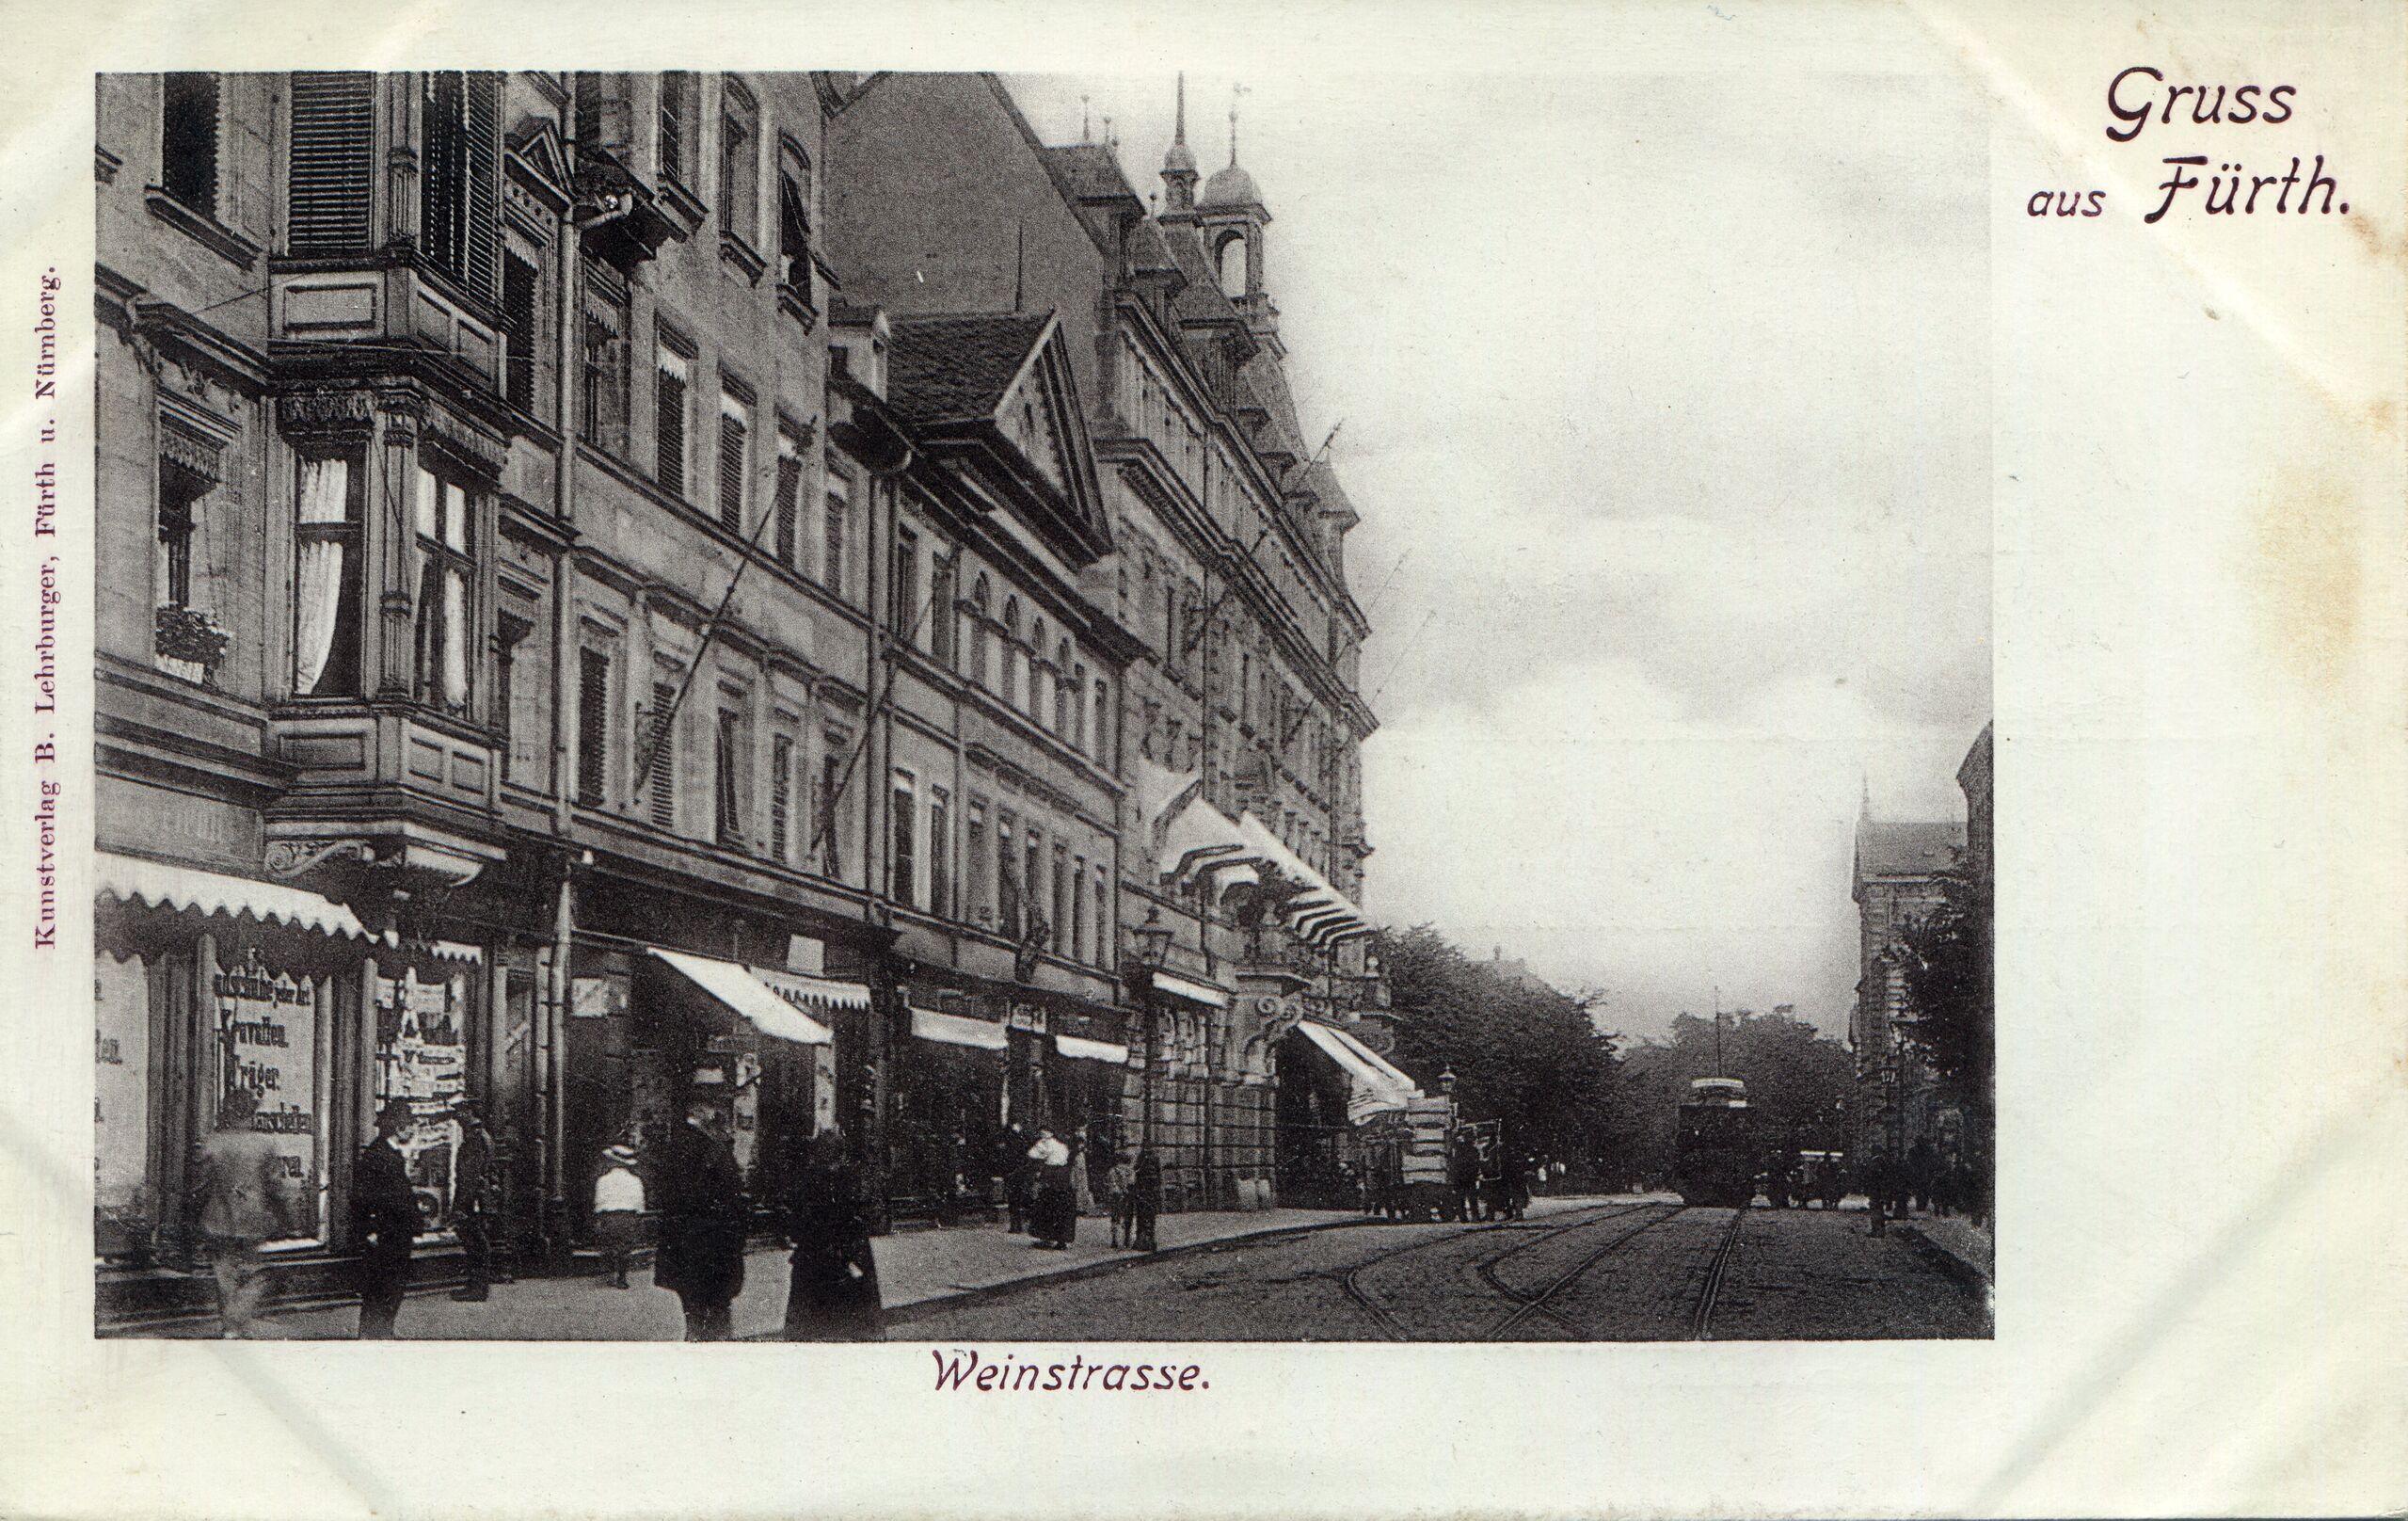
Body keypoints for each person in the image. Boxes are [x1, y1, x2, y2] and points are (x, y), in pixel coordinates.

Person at [189, 1087, 289, 1337]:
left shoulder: (212, 1142)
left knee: (224, 1275)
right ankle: (235, 1322)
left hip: (218, 1218)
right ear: (252, 1113)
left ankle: (230, 1328)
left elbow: (199, 1185)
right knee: (255, 1273)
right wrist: (285, 1215)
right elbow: (276, 1186)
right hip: (253, 1219)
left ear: (227, 1113)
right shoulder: (265, 1144)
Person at [653, 1098, 748, 1340]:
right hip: (715, 1248)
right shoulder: (716, 1151)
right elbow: (734, 1202)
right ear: (704, 1116)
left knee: (694, 1313)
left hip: (683, 1247)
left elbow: (665, 1196)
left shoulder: (675, 1149)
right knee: (717, 1316)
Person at [783, 1129, 883, 1340]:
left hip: (812, 1261)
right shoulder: (847, 1180)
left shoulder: (807, 1181)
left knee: (807, 1325)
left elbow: (796, 1223)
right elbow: (863, 1217)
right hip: (844, 1261)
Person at [353, 1099, 421, 1338]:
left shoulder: (388, 1153)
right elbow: (364, 1196)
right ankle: (375, 1334)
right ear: (398, 1128)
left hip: (394, 1231)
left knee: (390, 1286)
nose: (413, 1130)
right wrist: (370, 1229)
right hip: (387, 1232)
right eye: (410, 1125)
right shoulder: (379, 1155)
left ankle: (380, 1332)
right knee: (384, 1286)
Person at [448, 1100, 497, 1302]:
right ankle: (475, 1286)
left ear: (470, 1113)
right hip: (478, 1197)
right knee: (477, 1242)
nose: (457, 1117)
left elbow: (469, 1176)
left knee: (476, 1243)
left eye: (460, 1112)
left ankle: (477, 1288)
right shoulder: (480, 1136)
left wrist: (460, 1206)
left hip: (473, 1199)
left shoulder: (475, 1139)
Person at [593, 1142, 646, 1289]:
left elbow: (599, 1201)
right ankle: (622, 1277)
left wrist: (599, 1218)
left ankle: (611, 1272)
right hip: (628, 1216)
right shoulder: (635, 1180)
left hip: (609, 1216)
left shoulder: (603, 1180)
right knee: (625, 1247)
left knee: (610, 1244)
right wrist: (639, 1217)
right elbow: (639, 1202)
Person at [1027, 1127, 1075, 1249]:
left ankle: (1048, 1238)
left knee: (1048, 1207)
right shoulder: (1060, 1145)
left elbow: (1032, 1154)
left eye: (1044, 1133)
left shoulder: (1045, 1144)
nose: (1042, 1135)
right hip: (1062, 1178)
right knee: (1059, 1208)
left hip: (1052, 1177)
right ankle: (1059, 1240)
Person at [997, 1123, 1031, 1235]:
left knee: (1013, 1200)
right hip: (1018, 1173)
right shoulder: (1020, 1142)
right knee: (1016, 1199)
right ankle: (1017, 1225)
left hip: (1013, 1174)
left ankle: (1015, 1225)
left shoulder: (1010, 1145)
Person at [1131, 1146, 1163, 1252]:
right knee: (1150, 1219)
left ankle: (1143, 1241)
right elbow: (1159, 1179)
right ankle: (1149, 1241)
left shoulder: (1141, 1161)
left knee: (1142, 1219)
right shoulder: (1155, 1160)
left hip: (1143, 1195)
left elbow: (1136, 1172)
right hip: (1150, 1196)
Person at [1448, 1129, 1481, 1225]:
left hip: (1460, 1176)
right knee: (1472, 1197)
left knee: (1461, 1198)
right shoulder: (1473, 1150)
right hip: (1469, 1177)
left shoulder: (1458, 1149)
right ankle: (1474, 1216)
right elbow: (1476, 1164)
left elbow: (1455, 1163)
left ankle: (1463, 1217)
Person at [1107, 1149, 1138, 1248]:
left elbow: (1111, 1184)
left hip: (1116, 1196)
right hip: (1127, 1196)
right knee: (1128, 1217)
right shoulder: (1130, 1171)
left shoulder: (1113, 1170)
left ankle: (1114, 1240)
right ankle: (1126, 1239)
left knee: (1115, 1217)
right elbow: (1132, 1183)